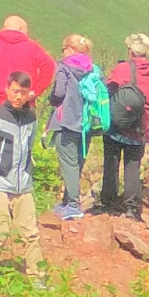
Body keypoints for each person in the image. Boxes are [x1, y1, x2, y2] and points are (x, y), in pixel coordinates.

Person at [0, 70, 44, 279]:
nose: (18, 96)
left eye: (23, 92)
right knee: (0, 234)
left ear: (28, 93)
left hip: (23, 185)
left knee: (31, 235)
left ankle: (36, 277)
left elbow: (29, 149)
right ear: (7, 90)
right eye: (14, 91)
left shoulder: (31, 118)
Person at [97, 35, 149, 219]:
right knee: (133, 166)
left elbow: (108, 87)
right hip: (139, 126)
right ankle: (131, 207)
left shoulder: (122, 68)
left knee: (112, 162)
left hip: (117, 125)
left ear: (131, 51)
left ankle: (108, 202)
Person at [48, 33, 101, 220]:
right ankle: (66, 202)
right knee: (77, 163)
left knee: (68, 164)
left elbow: (59, 91)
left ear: (69, 49)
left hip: (66, 121)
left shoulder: (64, 67)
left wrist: (52, 101)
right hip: (86, 123)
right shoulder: (93, 68)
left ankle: (73, 206)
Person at [0, 15, 55, 111]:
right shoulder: (33, 48)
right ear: (21, 29)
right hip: (24, 105)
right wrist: (36, 92)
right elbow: (49, 66)